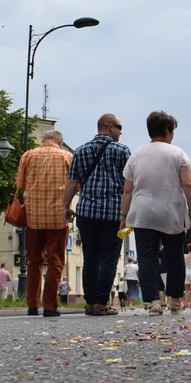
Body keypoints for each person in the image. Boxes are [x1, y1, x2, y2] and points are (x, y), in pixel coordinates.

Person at [118, 110, 191, 315]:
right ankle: (174, 300)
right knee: (174, 257)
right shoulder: (178, 154)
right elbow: (188, 184)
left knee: (146, 257)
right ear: (167, 130)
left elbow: (128, 190)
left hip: (142, 212)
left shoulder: (136, 154)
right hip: (171, 212)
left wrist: (123, 216)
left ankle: (154, 302)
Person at [64, 115, 131, 317]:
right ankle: (101, 303)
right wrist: (128, 213)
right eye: (119, 127)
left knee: (90, 258)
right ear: (109, 127)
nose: (120, 132)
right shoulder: (122, 150)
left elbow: (71, 182)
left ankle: (91, 302)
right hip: (112, 213)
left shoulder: (81, 150)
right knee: (110, 258)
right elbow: (129, 185)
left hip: (86, 213)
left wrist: (65, 207)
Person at [14, 129, 73, 316]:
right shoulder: (67, 156)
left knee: (33, 261)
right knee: (55, 261)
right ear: (60, 141)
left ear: (44, 140)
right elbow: (76, 185)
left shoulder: (28, 155)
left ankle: (32, 305)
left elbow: (20, 184)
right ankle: (50, 306)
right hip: (58, 217)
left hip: (34, 217)